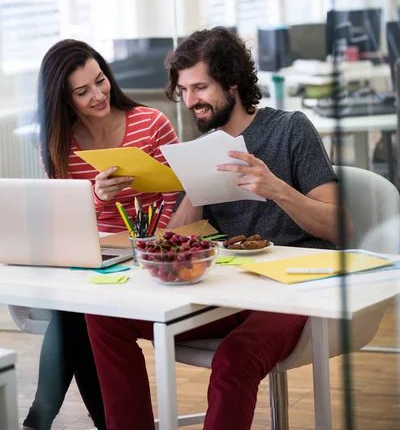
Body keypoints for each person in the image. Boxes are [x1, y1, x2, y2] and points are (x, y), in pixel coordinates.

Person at [85, 27, 352, 430]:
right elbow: (174, 237)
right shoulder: (202, 146)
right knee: (102, 316)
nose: (190, 101)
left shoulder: (290, 129)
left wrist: (277, 189)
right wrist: (195, 183)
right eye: (184, 90)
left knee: (235, 356)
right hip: (229, 288)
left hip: (295, 288)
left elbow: (340, 227)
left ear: (233, 82)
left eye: (200, 87)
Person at [22, 39, 179, 430]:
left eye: (100, 80)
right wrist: (94, 195)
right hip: (93, 259)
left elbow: (182, 196)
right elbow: (63, 219)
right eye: (82, 91)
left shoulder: (151, 123)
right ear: (63, 99)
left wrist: (155, 241)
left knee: (77, 314)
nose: (98, 94)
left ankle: (41, 420)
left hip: (148, 255)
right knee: (79, 311)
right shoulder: (59, 142)